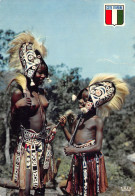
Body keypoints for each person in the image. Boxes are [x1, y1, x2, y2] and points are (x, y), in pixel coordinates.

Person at [59, 74, 129, 196]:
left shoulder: (97, 120)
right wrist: (64, 127)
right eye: (81, 98)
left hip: (91, 162)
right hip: (78, 160)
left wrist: (74, 150)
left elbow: (97, 147)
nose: (81, 101)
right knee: (75, 191)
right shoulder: (77, 119)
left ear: (94, 103)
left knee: (89, 192)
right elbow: (72, 141)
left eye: (86, 100)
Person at [8, 32, 57, 196]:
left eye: (45, 73)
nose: (43, 76)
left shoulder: (41, 92)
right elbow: (13, 126)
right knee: (26, 189)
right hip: (28, 147)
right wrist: (16, 107)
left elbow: (43, 119)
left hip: (43, 146)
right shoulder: (19, 93)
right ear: (29, 71)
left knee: (40, 189)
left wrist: (51, 128)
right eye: (39, 72)